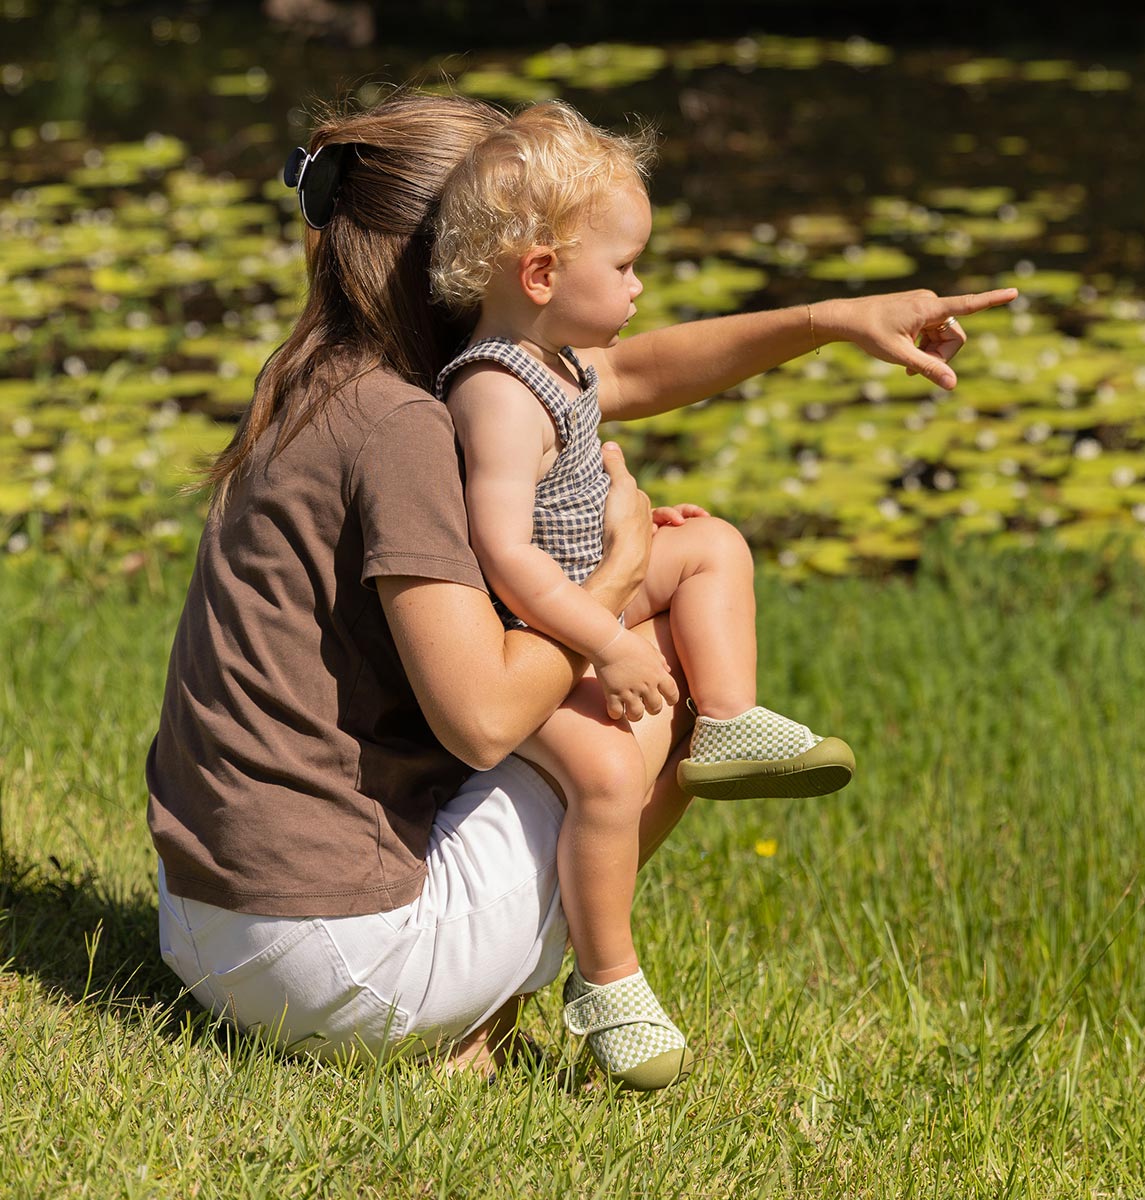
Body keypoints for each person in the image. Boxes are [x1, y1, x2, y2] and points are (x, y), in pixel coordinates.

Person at [146, 87, 1016, 1087]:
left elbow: (622, 375)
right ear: (488, 260)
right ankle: (519, 1008)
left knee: (640, 644)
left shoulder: (319, 377)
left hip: (206, 925)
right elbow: (481, 721)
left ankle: (488, 992)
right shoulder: (403, 427)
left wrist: (831, 319)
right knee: (672, 673)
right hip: (336, 964)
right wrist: (619, 574)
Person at [429, 101, 862, 1090]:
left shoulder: (557, 360)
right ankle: (607, 981)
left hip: (590, 591)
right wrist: (608, 642)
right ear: (542, 274)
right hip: (530, 637)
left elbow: (573, 489)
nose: (638, 286)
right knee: (608, 774)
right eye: (624, 267)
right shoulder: (495, 394)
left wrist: (623, 526)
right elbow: (504, 556)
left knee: (713, 546)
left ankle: (730, 722)